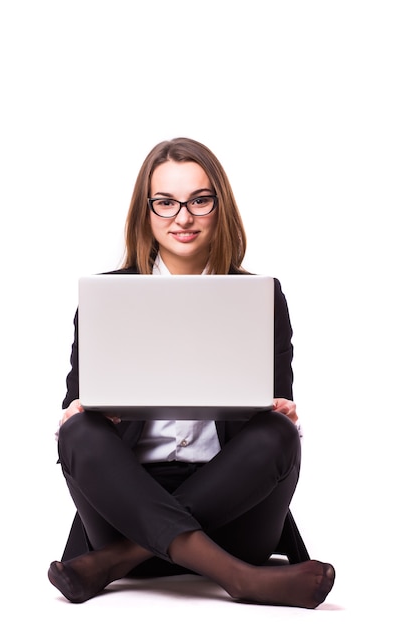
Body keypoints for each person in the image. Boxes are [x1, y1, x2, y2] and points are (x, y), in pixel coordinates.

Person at [48, 137, 335, 608]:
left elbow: (271, 409)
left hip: (233, 514)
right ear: (147, 210)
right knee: (78, 432)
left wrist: (280, 412)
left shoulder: (261, 296)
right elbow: (78, 400)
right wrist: (78, 412)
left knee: (278, 434)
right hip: (128, 503)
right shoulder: (108, 297)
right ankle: (241, 581)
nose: (183, 217)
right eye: (166, 202)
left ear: (220, 206)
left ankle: (117, 561)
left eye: (199, 200)